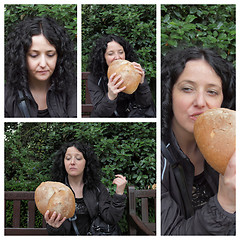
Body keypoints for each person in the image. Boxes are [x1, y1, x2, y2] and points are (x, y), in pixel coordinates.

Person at [161, 47, 236, 235]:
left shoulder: (229, 148)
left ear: (222, 101)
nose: (201, 102)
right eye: (187, 89)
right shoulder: (158, 159)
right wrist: (225, 204)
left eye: (212, 92)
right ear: (169, 94)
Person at [45, 141, 127, 235]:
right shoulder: (55, 190)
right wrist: (54, 227)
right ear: (63, 162)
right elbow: (55, 233)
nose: (72, 162)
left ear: (86, 162)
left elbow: (111, 218)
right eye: (68, 158)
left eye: (78, 158)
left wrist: (119, 194)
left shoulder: (97, 188)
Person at [5, 16, 77, 118]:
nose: (43, 64)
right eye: (34, 55)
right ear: (21, 57)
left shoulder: (72, 89)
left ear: (59, 56)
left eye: (50, 55)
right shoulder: (6, 96)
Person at [87, 34, 155, 117]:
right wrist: (110, 96)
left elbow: (145, 103)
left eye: (121, 52)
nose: (117, 57)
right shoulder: (95, 78)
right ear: (103, 57)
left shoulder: (134, 72)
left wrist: (142, 84)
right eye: (110, 54)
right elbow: (100, 113)